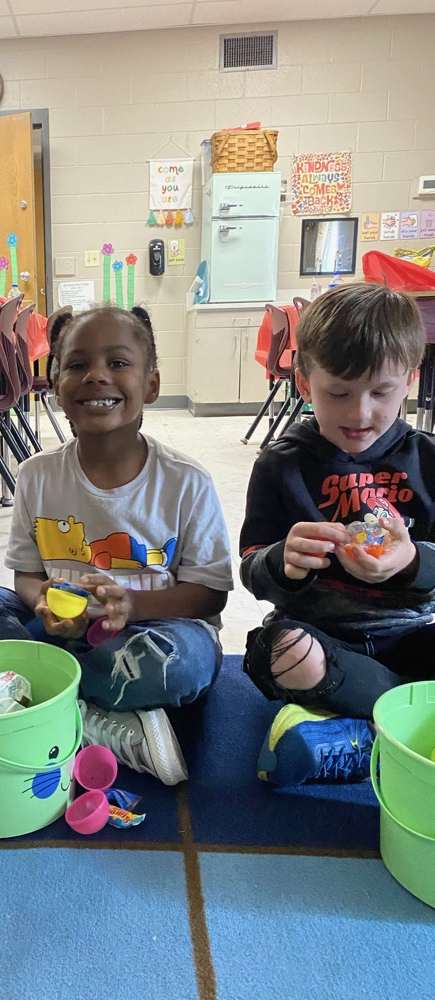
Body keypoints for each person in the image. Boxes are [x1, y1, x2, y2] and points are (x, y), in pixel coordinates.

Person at [0, 306, 233, 785]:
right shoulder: (36, 475)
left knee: (183, 665)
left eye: (117, 363)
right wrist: (43, 601)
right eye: (76, 365)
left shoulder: (186, 481)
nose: (96, 376)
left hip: (152, 633)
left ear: (151, 384)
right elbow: (26, 576)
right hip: (61, 631)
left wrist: (132, 606)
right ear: (54, 384)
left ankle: (45, 699)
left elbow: (210, 593)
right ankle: (92, 716)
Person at [240, 283, 433, 785]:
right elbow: (252, 566)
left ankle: (355, 732)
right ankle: (403, 719)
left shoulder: (427, 460)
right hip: (322, 639)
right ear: (304, 384)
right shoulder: (282, 464)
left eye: (382, 392)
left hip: (414, 636)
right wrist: (284, 561)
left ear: (410, 380)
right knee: (281, 651)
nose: (360, 413)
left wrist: (411, 562)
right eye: (339, 393)